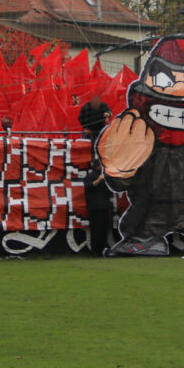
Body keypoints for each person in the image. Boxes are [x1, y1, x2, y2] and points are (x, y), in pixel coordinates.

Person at [77, 100, 114, 256]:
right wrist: (99, 179)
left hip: (104, 207)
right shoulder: (91, 176)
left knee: (104, 230)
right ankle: (95, 251)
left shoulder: (104, 176)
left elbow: (110, 191)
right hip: (94, 207)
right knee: (96, 230)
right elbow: (88, 186)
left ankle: (103, 249)